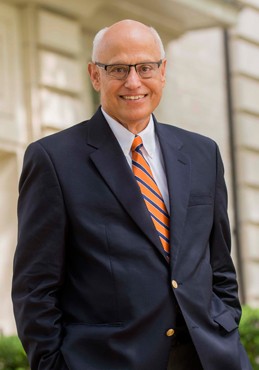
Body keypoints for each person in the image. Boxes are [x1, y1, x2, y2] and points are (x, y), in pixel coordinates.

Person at [12, 19, 252, 370]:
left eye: (145, 67)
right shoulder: (53, 159)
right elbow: (35, 288)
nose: (133, 82)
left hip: (210, 356)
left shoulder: (203, 153)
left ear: (163, 71)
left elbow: (219, 265)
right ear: (95, 75)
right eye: (118, 69)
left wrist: (225, 322)